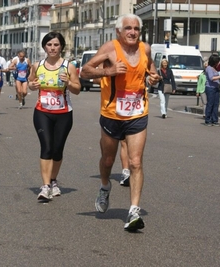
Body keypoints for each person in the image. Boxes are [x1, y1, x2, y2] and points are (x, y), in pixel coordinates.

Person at [80, 14, 159, 231]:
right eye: (128, 28)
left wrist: (153, 76)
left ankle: (133, 210)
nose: (133, 32)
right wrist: (108, 71)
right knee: (107, 160)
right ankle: (105, 186)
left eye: (136, 29)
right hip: (112, 114)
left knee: (135, 162)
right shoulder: (110, 48)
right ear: (119, 31)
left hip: (137, 113)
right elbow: (84, 71)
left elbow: (150, 70)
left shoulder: (146, 49)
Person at [28, 32, 81, 200]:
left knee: (57, 150)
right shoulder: (37, 66)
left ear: (61, 47)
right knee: (46, 147)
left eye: (56, 45)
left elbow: (77, 89)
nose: (52, 48)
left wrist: (69, 83)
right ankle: (45, 187)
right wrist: (33, 85)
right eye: (49, 45)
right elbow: (30, 83)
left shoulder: (68, 66)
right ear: (44, 47)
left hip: (63, 113)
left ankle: (53, 180)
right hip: (42, 112)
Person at [204, 54, 220, 126]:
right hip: (210, 88)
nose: (218, 63)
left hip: (216, 88)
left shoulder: (214, 69)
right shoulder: (209, 68)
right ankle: (208, 120)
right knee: (210, 104)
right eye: (217, 61)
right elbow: (211, 78)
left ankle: (214, 120)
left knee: (216, 104)